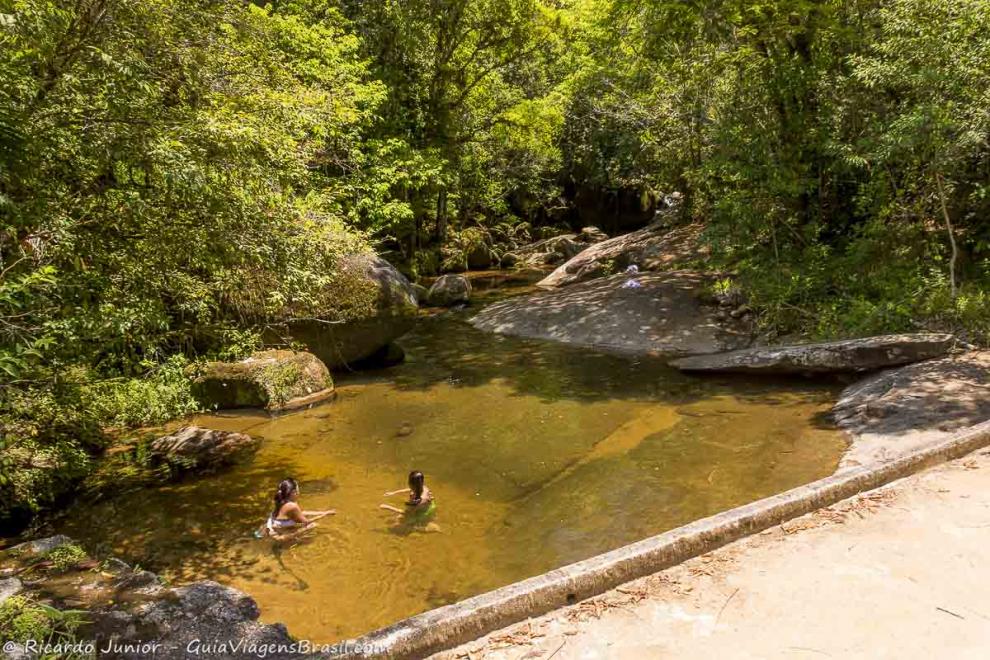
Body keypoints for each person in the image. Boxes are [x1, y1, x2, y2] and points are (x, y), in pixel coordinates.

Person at [256, 478, 335, 540]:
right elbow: (306, 522)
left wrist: (324, 512)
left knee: (303, 524)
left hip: (269, 526)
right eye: (298, 489)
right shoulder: (292, 506)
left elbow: (302, 513)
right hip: (276, 533)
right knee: (312, 526)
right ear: (294, 492)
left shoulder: (283, 499)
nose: (299, 491)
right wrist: (325, 515)